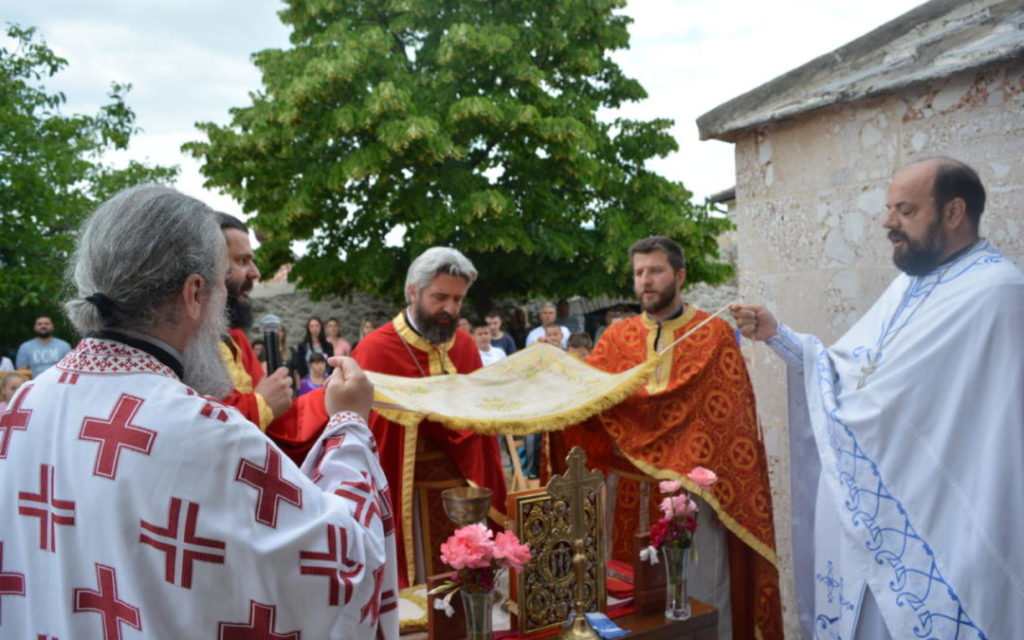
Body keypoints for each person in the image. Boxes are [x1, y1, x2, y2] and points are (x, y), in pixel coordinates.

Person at [0, 184, 398, 638]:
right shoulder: (203, 431)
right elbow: (344, 565)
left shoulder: (23, 409)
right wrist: (348, 424)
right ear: (194, 293)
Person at [731, 158, 1024, 640]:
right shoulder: (907, 286)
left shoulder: (999, 295)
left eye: (905, 210)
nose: (889, 222)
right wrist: (778, 335)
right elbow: (849, 371)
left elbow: (980, 427)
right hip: (871, 526)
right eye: (890, 209)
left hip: (943, 526)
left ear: (954, 212)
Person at [551, 236, 783, 640]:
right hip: (627, 494)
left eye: (655, 271)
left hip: (692, 497)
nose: (646, 281)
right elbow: (587, 406)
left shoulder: (713, 336)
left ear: (679, 275)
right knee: (631, 603)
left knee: (699, 595)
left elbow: (732, 424)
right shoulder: (616, 339)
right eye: (639, 273)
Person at [345, 247, 507, 588]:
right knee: (422, 587)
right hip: (408, 494)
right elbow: (364, 437)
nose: (450, 308)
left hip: (462, 489)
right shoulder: (375, 350)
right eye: (440, 297)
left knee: (469, 584)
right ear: (413, 292)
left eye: (458, 299)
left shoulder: (463, 346)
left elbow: (480, 426)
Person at [215, 213, 319, 463]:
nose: (255, 273)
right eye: (242, 261)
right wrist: (261, 402)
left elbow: (281, 423)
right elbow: (201, 431)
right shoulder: (183, 341)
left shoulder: (235, 338)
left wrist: (332, 398)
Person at [292, 317, 334, 387]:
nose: (314, 329)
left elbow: (332, 365)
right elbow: (300, 366)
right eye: (312, 326)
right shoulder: (302, 347)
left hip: (326, 382)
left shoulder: (328, 346)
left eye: (317, 326)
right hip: (309, 383)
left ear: (321, 327)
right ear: (308, 328)